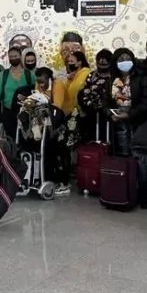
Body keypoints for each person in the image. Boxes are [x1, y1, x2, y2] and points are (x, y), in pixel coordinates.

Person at [110, 48, 147, 206]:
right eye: (120, 59)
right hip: (118, 125)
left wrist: (130, 114)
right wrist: (110, 113)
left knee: (140, 160)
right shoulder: (113, 79)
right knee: (123, 158)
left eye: (127, 58)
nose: (124, 62)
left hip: (138, 123)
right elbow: (106, 101)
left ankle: (143, 195)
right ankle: (124, 193)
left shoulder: (143, 77)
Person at [52, 51, 91, 195]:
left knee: (65, 146)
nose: (69, 63)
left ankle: (66, 182)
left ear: (80, 62)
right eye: (68, 61)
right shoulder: (72, 76)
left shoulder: (86, 74)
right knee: (63, 147)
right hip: (68, 116)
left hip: (78, 116)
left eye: (72, 60)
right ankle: (66, 179)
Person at [0, 47, 35, 137]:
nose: (13, 58)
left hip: (26, 113)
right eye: (11, 57)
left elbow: (36, 92)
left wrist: (27, 98)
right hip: (8, 113)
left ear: (21, 56)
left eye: (15, 56)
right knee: (11, 138)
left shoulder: (29, 74)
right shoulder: (3, 75)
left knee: (25, 139)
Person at [80, 49, 114, 141]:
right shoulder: (92, 75)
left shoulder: (114, 77)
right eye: (99, 64)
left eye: (105, 64)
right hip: (92, 112)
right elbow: (85, 91)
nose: (102, 66)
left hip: (109, 113)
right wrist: (89, 105)